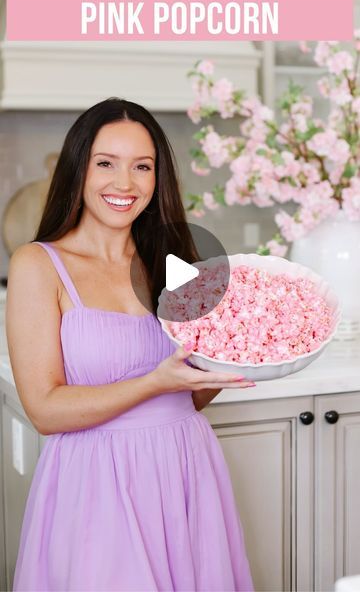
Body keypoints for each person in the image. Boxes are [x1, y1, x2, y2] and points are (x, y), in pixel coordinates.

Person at [6, 97, 255, 591]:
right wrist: (154, 383)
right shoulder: (38, 265)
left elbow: (192, 392)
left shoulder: (177, 264)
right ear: (78, 170)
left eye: (142, 167)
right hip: (97, 483)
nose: (125, 184)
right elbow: (45, 410)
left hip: (186, 465)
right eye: (106, 164)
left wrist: (235, 356)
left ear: (157, 179)